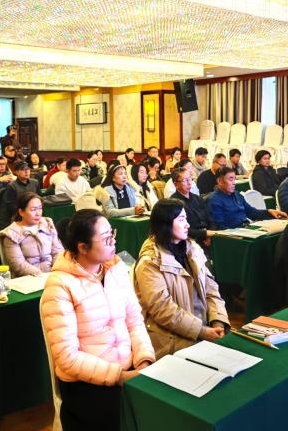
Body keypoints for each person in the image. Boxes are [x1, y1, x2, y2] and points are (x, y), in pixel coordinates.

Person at [41, 209, 155, 431]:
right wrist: (120, 377)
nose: (113, 242)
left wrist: (144, 360)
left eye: (112, 234)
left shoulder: (116, 269)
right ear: (83, 248)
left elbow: (134, 319)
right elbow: (66, 357)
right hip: (87, 381)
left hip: (129, 367)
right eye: (106, 239)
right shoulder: (60, 285)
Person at [134, 199, 229, 359]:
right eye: (181, 220)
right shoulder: (150, 263)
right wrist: (201, 331)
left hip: (206, 327)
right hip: (173, 337)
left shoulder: (192, 248)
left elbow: (211, 288)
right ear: (165, 224)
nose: (187, 225)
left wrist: (218, 321)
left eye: (186, 219)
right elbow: (163, 310)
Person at [0, 192, 64, 277]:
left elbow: (58, 252)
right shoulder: (12, 234)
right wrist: (41, 275)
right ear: (21, 212)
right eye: (33, 210)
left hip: (53, 274)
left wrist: (57, 269)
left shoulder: (48, 224)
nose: (38, 213)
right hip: (30, 278)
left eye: (40, 208)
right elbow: (18, 264)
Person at [208, 167, 286, 229]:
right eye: (230, 179)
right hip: (232, 235)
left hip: (245, 228)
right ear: (219, 181)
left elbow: (252, 212)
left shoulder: (237, 194)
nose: (234, 183)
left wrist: (270, 212)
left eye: (234, 179)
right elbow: (219, 227)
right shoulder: (214, 200)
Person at [170, 168, 214, 254]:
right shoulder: (173, 203)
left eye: (190, 179)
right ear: (176, 184)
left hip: (209, 237)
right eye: (185, 180)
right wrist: (204, 235)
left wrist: (209, 236)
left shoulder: (197, 198)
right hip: (190, 241)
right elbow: (182, 229)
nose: (189, 183)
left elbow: (210, 219)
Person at [0, 160, 41, 230]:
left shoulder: (35, 182)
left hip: (34, 213)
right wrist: (25, 211)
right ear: (16, 172)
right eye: (23, 169)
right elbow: (10, 206)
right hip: (19, 216)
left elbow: (40, 199)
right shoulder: (12, 186)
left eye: (28, 169)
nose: (26, 172)